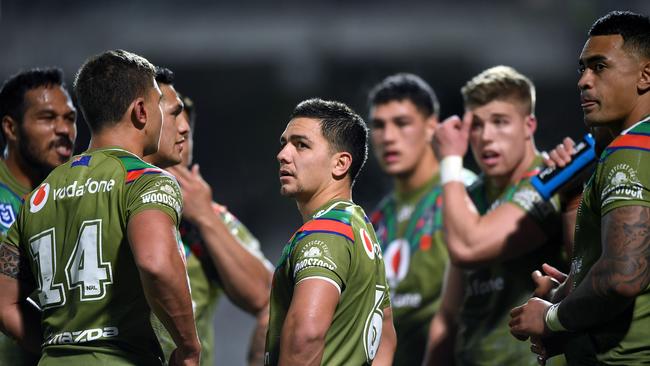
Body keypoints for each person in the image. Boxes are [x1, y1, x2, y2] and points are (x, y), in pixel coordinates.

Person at [0, 50, 200, 365]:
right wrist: (189, 347)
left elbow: (4, 303)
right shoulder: (145, 180)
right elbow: (155, 263)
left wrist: (59, 349)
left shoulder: (40, 194)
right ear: (141, 112)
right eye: (158, 102)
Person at [509, 10, 650, 364]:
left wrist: (551, 317)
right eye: (582, 68)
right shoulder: (621, 150)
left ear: (646, 75)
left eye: (599, 66)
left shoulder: (631, 151)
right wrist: (567, 292)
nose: (583, 81)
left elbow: (623, 275)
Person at [425, 66, 565, 365]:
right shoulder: (471, 195)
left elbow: (469, 248)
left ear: (529, 125)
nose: (486, 136)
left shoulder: (553, 180)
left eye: (500, 122)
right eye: (476, 125)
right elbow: (449, 312)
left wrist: (449, 160)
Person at [145, 67, 272, 366]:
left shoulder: (207, 217)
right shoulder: (106, 195)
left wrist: (205, 218)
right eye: (168, 128)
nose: (179, 140)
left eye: (185, 133)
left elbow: (266, 298)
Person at [265, 98, 396, 365]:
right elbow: (386, 333)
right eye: (284, 143)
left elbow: (307, 336)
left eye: (301, 145)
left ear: (340, 164)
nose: (283, 154)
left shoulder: (325, 232)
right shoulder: (359, 226)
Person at [367, 73, 474, 365]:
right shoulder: (376, 217)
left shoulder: (463, 190)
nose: (388, 137)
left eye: (401, 123)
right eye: (378, 125)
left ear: (430, 127)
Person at [0, 67, 77, 365]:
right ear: (11, 128)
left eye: (69, 118)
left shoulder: (74, 194)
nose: (63, 130)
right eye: (47, 118)